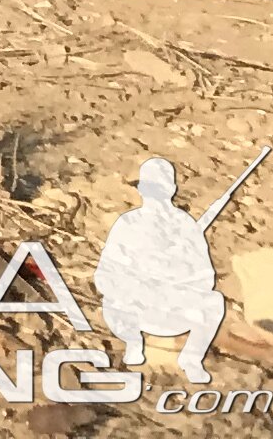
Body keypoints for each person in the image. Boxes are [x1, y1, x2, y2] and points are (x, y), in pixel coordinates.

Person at [94, 159, 228, 383]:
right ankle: (133, 342)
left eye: (160, 192)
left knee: (214, 301)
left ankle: (192, 358)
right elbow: (105, 274)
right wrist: (135, 283)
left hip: (173, 308)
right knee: (111, 300)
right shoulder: (127, 223)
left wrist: (176, 276)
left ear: (171, 190)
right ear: (142, 192)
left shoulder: (186, 225)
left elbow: (206, 278)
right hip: (135, 309)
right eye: (151, 191)